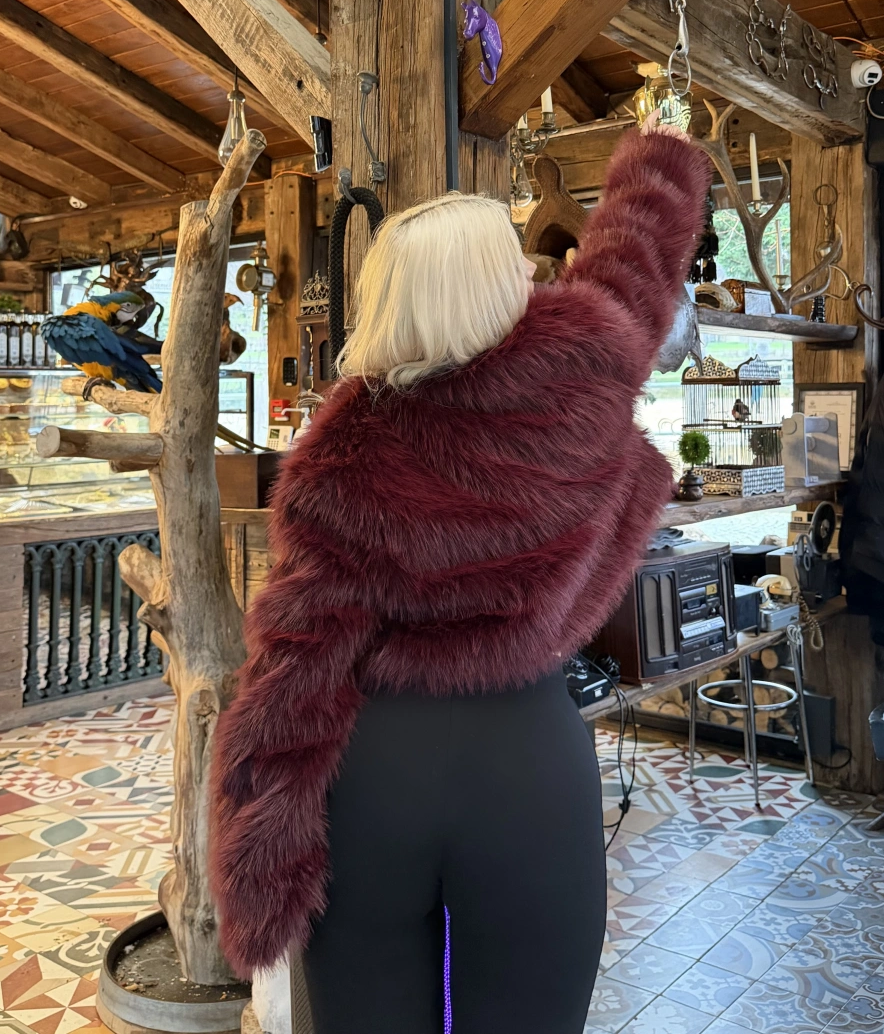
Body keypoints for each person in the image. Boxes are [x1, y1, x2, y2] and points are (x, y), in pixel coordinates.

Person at [210, 119, 711, 1034]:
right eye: (516, 264)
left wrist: (257, 847)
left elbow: (293, 662)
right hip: (528, 763)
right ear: (491, 287)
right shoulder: (582, 378)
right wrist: (660, 153)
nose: (534, 276)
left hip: (374, 774)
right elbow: (636, 257)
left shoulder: (340, 449)